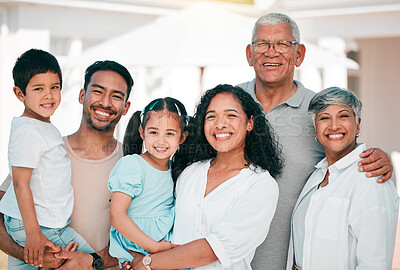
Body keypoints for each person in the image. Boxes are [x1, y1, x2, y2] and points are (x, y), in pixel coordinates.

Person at [238, 13, 394, 269]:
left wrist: (380, 158)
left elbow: (346, 154)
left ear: (299, 54)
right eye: (262, 44)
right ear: (249, 54)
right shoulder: (226, 106)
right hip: (225, 262)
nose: (271, 52)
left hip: (288, 263)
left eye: (282, 44)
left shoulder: (319, 112)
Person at [128, 84, 282, 270]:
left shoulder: (260, 185)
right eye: (211, 117)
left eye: (230, 115)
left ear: (250, 123)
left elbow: (215, 249)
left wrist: (147, 263)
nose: (220, 124)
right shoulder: (190, 172)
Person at [0, 60, 133, 270]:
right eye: (98, 91)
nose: (105, 103)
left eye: (116, 96)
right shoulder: (46, 150)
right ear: (82, 96)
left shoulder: (133, 163)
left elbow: (143, 238)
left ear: (126, 107)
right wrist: (34, 255)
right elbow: (5, 213)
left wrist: (92, 261)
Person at [0, 49, 94, 269]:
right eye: (38, 88)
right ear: (19, 93)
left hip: (35, 223)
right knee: (89, 259)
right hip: (42, 226)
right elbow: (20, 182)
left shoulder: (42, 126)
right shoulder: (28, 130)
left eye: (55, 87)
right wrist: (33, 233)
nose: (49, 95)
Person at [287, 87, 399, 270]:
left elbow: (375, 263)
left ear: (358, 125)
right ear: (315, 130)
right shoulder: (317, 175)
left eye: (343, 116)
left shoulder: (370, 179)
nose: (334, 126)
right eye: (324, 118)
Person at [108, 97, 188, 267]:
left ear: (182, 137)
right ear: (142, 132)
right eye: (153, 132)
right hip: (139, 244)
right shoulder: (133, 164)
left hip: (163, 246)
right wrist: (154, 247)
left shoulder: (175, 169)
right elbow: (117, 215)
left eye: (169, 133)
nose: (161, 140)